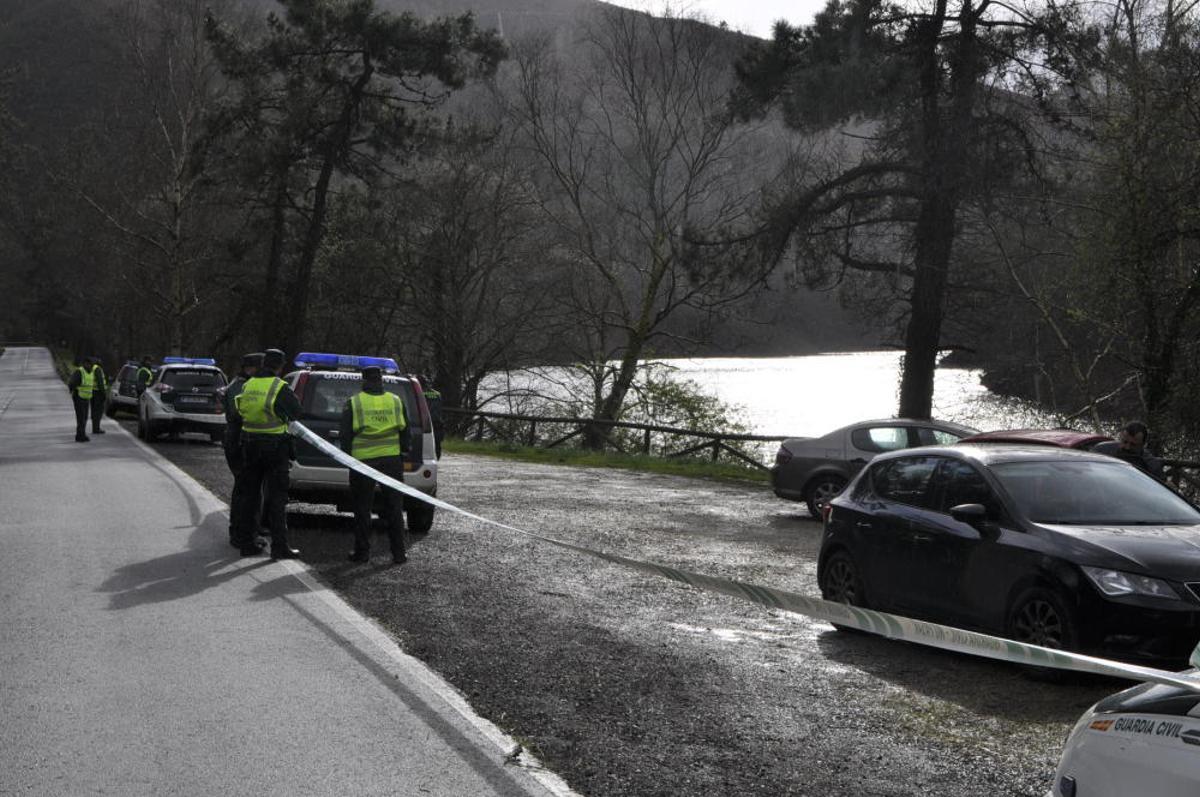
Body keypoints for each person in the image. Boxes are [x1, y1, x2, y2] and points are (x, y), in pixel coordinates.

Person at [229, 348, 301, 559]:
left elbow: (238, 412)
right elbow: (296, 411)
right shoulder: (278, 386)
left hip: (249, 445)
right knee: (277, 498)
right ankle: (280, 547)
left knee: (250, 496)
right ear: (280, 366)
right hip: (275, 447)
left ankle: (247, 543)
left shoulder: (248, 385)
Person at [341, 365, 408, 565]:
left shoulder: (354, 402)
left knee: (362, 509)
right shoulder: (396, 401)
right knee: (394, 508)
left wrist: (348, 458)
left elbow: (345, 436)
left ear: (364, 381)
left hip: (363, 461)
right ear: (382, 381)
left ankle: (362, 553)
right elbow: (405, 433)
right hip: (391, 460)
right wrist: (401, 454)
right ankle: (399, 554)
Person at [223, 352, 263, 549]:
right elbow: (239, 415)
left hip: (235, 439)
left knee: (243, 488)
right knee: (246, 490)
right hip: (238, 441)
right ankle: (241, 534)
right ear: (251, 368)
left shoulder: (238, 383)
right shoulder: (240, 386)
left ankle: (241, 531)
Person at [1093, 421, 1165, 479]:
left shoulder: (1151, 466)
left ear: (1143, 445)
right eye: (1125, 442)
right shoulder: (1102, 452)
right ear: (1120, 438)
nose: (1127, 447)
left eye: (1133, 445)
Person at [65, 356, 96, 442]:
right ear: (84, 364)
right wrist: (72, 390)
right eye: (87, 364)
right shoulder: (80, 372)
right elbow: (72, 382)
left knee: (85, 417)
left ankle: (81, 434)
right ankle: (80, 435)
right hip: (79, 397)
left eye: (90, 364)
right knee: (81, 417)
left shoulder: (91, 373)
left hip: (86, 398)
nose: (89, 365)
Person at [421, 375, 444, 459]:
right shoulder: (437, 394)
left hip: (425, 422)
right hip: (437, 422)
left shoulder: (420, 393)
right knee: (437, 444)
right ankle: (436, 459)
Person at [88, 356, 107, 435]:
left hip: (92, 391)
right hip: (98, 392)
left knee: (94, 410)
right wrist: (103, 393)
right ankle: (96, 428)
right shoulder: (98, 369)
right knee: (98, 411)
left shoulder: (92, 368)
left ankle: (95, 428)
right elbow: (100, 382)